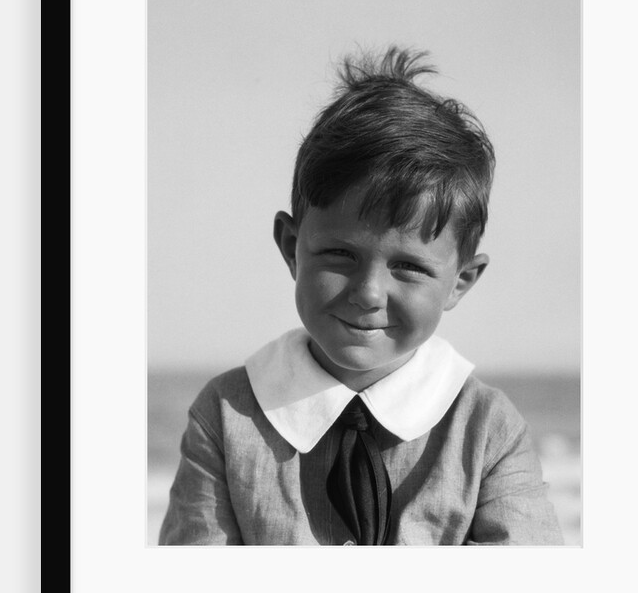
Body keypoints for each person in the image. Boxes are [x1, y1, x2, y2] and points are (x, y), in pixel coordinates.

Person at [158, 46, 564, 546]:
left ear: (460, 281)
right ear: (291, 246)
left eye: (409, 267)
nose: (369, 293)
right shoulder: (226, 416)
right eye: (339, 255)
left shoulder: (487, 430)